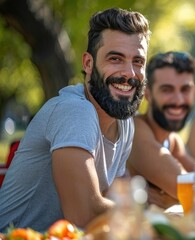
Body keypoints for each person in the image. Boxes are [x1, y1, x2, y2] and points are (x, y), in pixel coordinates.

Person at [0, 7, 150, 232]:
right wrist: (148, 215)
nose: (129, 73)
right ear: (88, 64)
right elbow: (83, 215)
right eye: (115, 58)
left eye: (138, 61)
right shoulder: (74, 110)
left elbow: (108, 201)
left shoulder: (124, 121)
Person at [127, 51, 195, 209]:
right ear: (147, 93)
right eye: (167, 90)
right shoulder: (135, 129)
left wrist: (168, 199)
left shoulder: (172, 139)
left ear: (194, 92)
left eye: (185, 89)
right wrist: (177, 196)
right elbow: (185, 189)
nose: (178, 100)